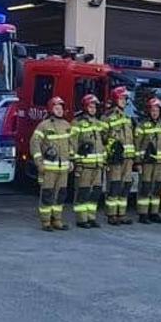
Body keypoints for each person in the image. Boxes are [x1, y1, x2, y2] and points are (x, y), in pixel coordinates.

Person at [32, 96, 75, 231]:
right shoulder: (44, 125)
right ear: (51, 109)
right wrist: (39, 163)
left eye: (61, 108)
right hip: (49, 168)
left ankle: (57, 220)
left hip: (63, 169)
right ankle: (46, 221)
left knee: (61, 194)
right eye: (57, 108)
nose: (60, 110)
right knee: (47, 194)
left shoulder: (67, 125)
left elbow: (71, 145)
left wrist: (72, 160)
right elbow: (34, 143)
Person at [98, 86, 136, 226]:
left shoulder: (127, 118)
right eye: (121, 98)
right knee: (114, 186)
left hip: (128, 158)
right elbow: (102, 138)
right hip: (115, 159)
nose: (124, 101)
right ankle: (111, 214)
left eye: (125, 99)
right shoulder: (107, 117)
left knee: (125, 186)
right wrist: (110, 152)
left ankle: (121, 213)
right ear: (115, 99)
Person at [68, 94, 106, 228]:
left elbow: (103, 143)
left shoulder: (99, 123)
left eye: (95, 106)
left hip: (97, 165)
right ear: (85, 107)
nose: (93, 109)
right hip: (84, 166)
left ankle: (91, 217)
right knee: (83, 192)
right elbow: (71, 144)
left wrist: (104, 160)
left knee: (95, 192)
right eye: (91, 106)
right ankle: (81, 219)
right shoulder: (76, 123)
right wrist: (76, 162)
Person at [133, 96, 161, 224]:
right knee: (145, 188)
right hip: (147, 163)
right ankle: (143, 214)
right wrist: (138, 162)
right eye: (153, 110)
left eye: (157, 110)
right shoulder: (142, 126)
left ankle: (154, 212)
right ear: (149, 111)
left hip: (159, 164)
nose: (155, 113)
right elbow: (137, 145)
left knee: (157, 189)